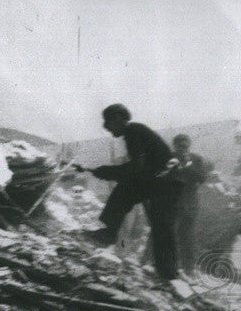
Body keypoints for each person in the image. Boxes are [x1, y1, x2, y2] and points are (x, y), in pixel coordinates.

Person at [83, 105, 179, 278]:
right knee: (127, 193)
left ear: (119, 118)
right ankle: (109, 232)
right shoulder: (134, 132)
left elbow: (137, 167)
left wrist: (108, 172)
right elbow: (138, 169)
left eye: (108, 121)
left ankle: (169, 274)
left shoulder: (133, 131)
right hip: (158, 179)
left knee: (160, 225)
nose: (106, 126)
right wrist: (110, 172)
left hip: (164, 181)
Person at [168, 134, 213, 276]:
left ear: (189, 146)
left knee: (187, 236)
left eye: (185, 146)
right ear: (174, 146)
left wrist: (188, 164)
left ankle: (189, 269)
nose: (182, 149)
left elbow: (202, 178)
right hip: (172, 203)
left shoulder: (196, 159)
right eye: (179, 146)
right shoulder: (168, 158)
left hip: (189, 203)